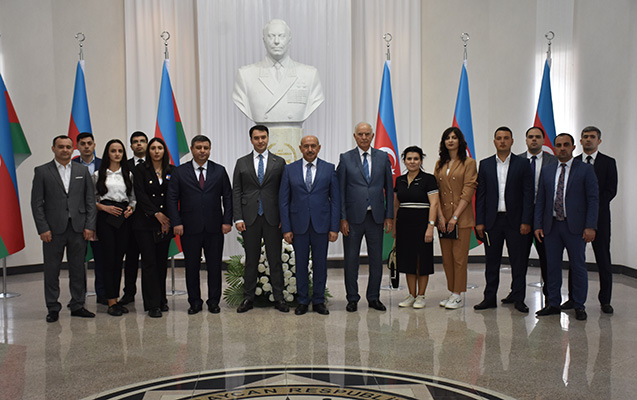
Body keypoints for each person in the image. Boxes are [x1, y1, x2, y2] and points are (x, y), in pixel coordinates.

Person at [31, 135, 97, 322]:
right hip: (52, 230)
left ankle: (78, 305)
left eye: (68, 147)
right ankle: (53, 307)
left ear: (73, 148)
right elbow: (37, 203)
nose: (65, 150)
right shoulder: (42, 171)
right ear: (53, 149)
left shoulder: (82, 171)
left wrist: (90, 226)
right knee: (52, 270)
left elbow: (90, 201)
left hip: (78, 228)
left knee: (78, 269)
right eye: (61, 147)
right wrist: (42, 228)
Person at [535, 133, 598, 321]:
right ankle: (553, 303)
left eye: (566, 145)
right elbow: (541, 200)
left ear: (573, 147)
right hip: (551, 226)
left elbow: (593, 199)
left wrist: (590, 226)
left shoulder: (585, 170)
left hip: (576, 227)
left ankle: (579, 305)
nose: (562, 148)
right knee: (552, 266)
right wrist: (538, 224)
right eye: (559, 145)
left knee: (578, 266)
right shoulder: (547, 170)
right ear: (554, 148)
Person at [167, 135, 232, 314]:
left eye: (205, 148)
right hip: (189, 227)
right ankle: (194, 302)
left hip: (215, 227)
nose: (202, 151)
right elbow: (172, 198)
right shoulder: (180, 172)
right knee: (192, 266)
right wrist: (176, 222)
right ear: (192, 149)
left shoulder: (219, 171)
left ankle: (214, 301)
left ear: (210, 149)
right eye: (198, 147)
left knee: (214, 266)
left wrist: (227, 221)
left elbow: (227, 197)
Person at [474, 127, 534, 313]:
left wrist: (526, 221)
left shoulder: (522, 164)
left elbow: (528, 195)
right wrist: (479, 221)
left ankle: (519, 298)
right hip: (492, 222)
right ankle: (489, 298)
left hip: (516, 222)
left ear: (512, 141)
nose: (502, 141)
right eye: (499, 138)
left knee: (518, 262)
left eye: (506, 138)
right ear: (494, 141)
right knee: (492, 262)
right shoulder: (485, 164)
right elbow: (481, 195)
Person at [279, 135, 340, 315]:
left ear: (319, 148)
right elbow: (284, 201)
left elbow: (335, 200)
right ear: (300, 148)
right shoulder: (289, 170)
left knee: (320, 265)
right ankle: (303, 301)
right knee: (301, 264)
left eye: (313, 146)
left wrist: (334, 227)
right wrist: (286, 228)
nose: (310, 149)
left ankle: (319, 301)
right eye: (306, 146)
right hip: (299, 226)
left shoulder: (329, 169)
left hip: (322, 225)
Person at [337, 122, 394, 312]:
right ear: (355, 136)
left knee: (376, 260)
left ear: (372, 136)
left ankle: (374, 297)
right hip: (352, 219)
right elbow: (340, 191)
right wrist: (342, 218)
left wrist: (389, 216)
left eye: (367, 134)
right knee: (351, 260)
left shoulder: (383, 157)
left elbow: (389, 188)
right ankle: (352, 298)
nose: (363, 137)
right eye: (360, 134)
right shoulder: (345, 158)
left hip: (376, 218)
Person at [560, 126, 617, 314]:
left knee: (603, 259)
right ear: (580, 141)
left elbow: (611, 191)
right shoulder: (573, 162)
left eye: (592, 137)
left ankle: (605, 300)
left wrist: (592, 209)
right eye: (585, 136)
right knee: (575, 259)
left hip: (600, 219)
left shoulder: (608, 162)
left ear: (599, 141)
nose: (588, 139)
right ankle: (573, 298)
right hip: (575, 219)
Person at [232, 125, 289, 313]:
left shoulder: (279, 162)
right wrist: (238, 218)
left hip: (273, 218)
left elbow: (284, 192)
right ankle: (248, 298)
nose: (260, 141)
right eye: (256, 138)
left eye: (263, 137)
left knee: (275, 260)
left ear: (268, 138)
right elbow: (236, 191)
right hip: (249, 219)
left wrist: (284, 218)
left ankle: (279, 298)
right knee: (251, 260)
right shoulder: (242, 162)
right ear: (251, 140)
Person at [233, 19, 324, 125]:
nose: (276, 41)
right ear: (264, 41)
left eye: (281, 36)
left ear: (289, 40)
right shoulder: (246, 75)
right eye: (271, 36)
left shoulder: (309, 75)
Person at [434, 127, 478, 309]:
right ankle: (452, 291)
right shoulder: (440, 164)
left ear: (460, 141)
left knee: (459, 258)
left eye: (454, 137)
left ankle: (458, 294)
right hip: (443, 219)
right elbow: (435, 192)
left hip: (461, 219)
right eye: (447, 138)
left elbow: (468, 191)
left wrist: (454, 217)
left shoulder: (469, 163)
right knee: (447, 259)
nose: (450, 140)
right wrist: (440, 216)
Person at [392, 146, 439, 309]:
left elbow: (434, 204)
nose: (412, 162)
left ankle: (421, 295)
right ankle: (411, 295)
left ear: (421, 161)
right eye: (409, 159)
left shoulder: (429, 179)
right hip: (404, 226)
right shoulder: (399, 180)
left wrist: (430, 227)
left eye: (416, 159)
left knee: (422, 261)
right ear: (404, 161)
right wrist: (394, 227)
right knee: (407, 261)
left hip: (422, 225)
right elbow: (396, 205)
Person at [93, 139, 136, 316]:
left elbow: (133, 198)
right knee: (108, 258)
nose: (117, 154)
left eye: (120, 151)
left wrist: (131, 208)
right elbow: (91, 199)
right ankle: (110, 301)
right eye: (113, 151)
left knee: (119, 259)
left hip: (123, 218)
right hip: (105, 217)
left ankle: (116, 299)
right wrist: (104, 208)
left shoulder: (128, 174)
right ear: (107, 153)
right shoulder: (98, 174)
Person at [132, 137, 174, 318]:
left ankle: (162, 299)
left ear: (164, 151)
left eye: (160, 148)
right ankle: (152, 304)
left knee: (161, 263)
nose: (156, 151)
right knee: (149, 263)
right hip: (145, 223)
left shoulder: (172, 170)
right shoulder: (140, 170)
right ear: (148, 151)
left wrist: (166, 220)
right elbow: (140, 195)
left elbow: (172, 196)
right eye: (153, 148)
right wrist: (157, 214)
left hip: (165, 224)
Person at [517, 126, 557, 304]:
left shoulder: (553, 161)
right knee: (519, 259)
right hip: (521, 217)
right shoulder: (516, 160)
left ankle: (550, 295)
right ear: (526, 140)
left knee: (547, 258)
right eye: (531, 136)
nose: (534, 139)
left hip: (546, 217)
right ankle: (517, 294)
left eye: (537, 137)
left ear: (543, 140)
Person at [71, 131, 106, 305]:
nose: (86, 146)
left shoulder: (104, 164)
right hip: (77, 219)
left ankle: (102, 294)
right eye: (83, 144)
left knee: (101, 258)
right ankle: (78, 296)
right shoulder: (70, 165)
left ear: (94, 145)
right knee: (77, 260)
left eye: (89, 143)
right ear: (77, 146)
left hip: (100, 218)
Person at [120, 131, 148, 305]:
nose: (139, 144)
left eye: (142, 141)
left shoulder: (154, 164)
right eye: (135, 141)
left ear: (147, 144)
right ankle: (129, 293)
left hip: (150, 220)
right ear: (130, 146)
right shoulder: (124, 166)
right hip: (129, 220)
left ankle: (151, 296)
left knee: (150, 260)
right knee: (130, 259)